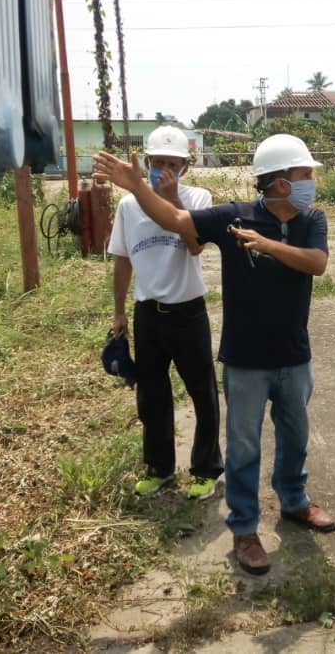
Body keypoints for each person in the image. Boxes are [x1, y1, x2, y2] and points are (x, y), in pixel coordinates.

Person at [94, 134, 335, 576]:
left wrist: (268, 246)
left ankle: (295, 501)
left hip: (294, 356)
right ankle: (244, 529)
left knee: (295, 437)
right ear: (281, 182)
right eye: (305, 174)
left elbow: (317, 263)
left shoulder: (312, 219)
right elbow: (176, 219)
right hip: (245, 360)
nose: (311, 182)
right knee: (243, 447)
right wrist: (139, 187)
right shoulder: (233, 217)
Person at [107, 125, 223, 500]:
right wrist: (119, 312)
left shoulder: (198, 198)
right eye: (159, 163)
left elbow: (195, 246)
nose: (165, 171)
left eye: (174, 164)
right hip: (148, 314)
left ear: (185, 168)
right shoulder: (128, 206)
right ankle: (160, 468)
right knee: (152, 395)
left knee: (202, 392)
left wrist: (173, 200)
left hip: (188, 311)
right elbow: (123, 259)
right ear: (146, 163)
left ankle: (206, 469)